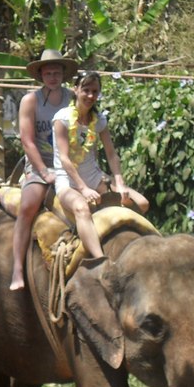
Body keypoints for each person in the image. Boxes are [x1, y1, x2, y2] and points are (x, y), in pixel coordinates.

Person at [52, 71, 150, 258]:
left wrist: (119, 183)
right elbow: (64, 159)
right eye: (86, 90)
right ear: (76, 90)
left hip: (95, 176)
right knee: (81, 208)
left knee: (142, 203)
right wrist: (83, 189)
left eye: (95, 91)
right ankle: (101, 259)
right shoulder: (62, 119)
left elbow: (111, 154)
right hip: (68, 181)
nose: (90, 96)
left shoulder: (99, 120)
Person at [9, 49, 79, 291]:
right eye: (48, 72)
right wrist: (44, 172)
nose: (53, 76)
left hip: (70, 163)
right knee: (28, 205)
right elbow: (27, 141)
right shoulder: (31, 101)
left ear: (63, 74)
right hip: (40, 164)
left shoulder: (73, 98)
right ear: (41, 75)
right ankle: (17, 267)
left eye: (57, 72)